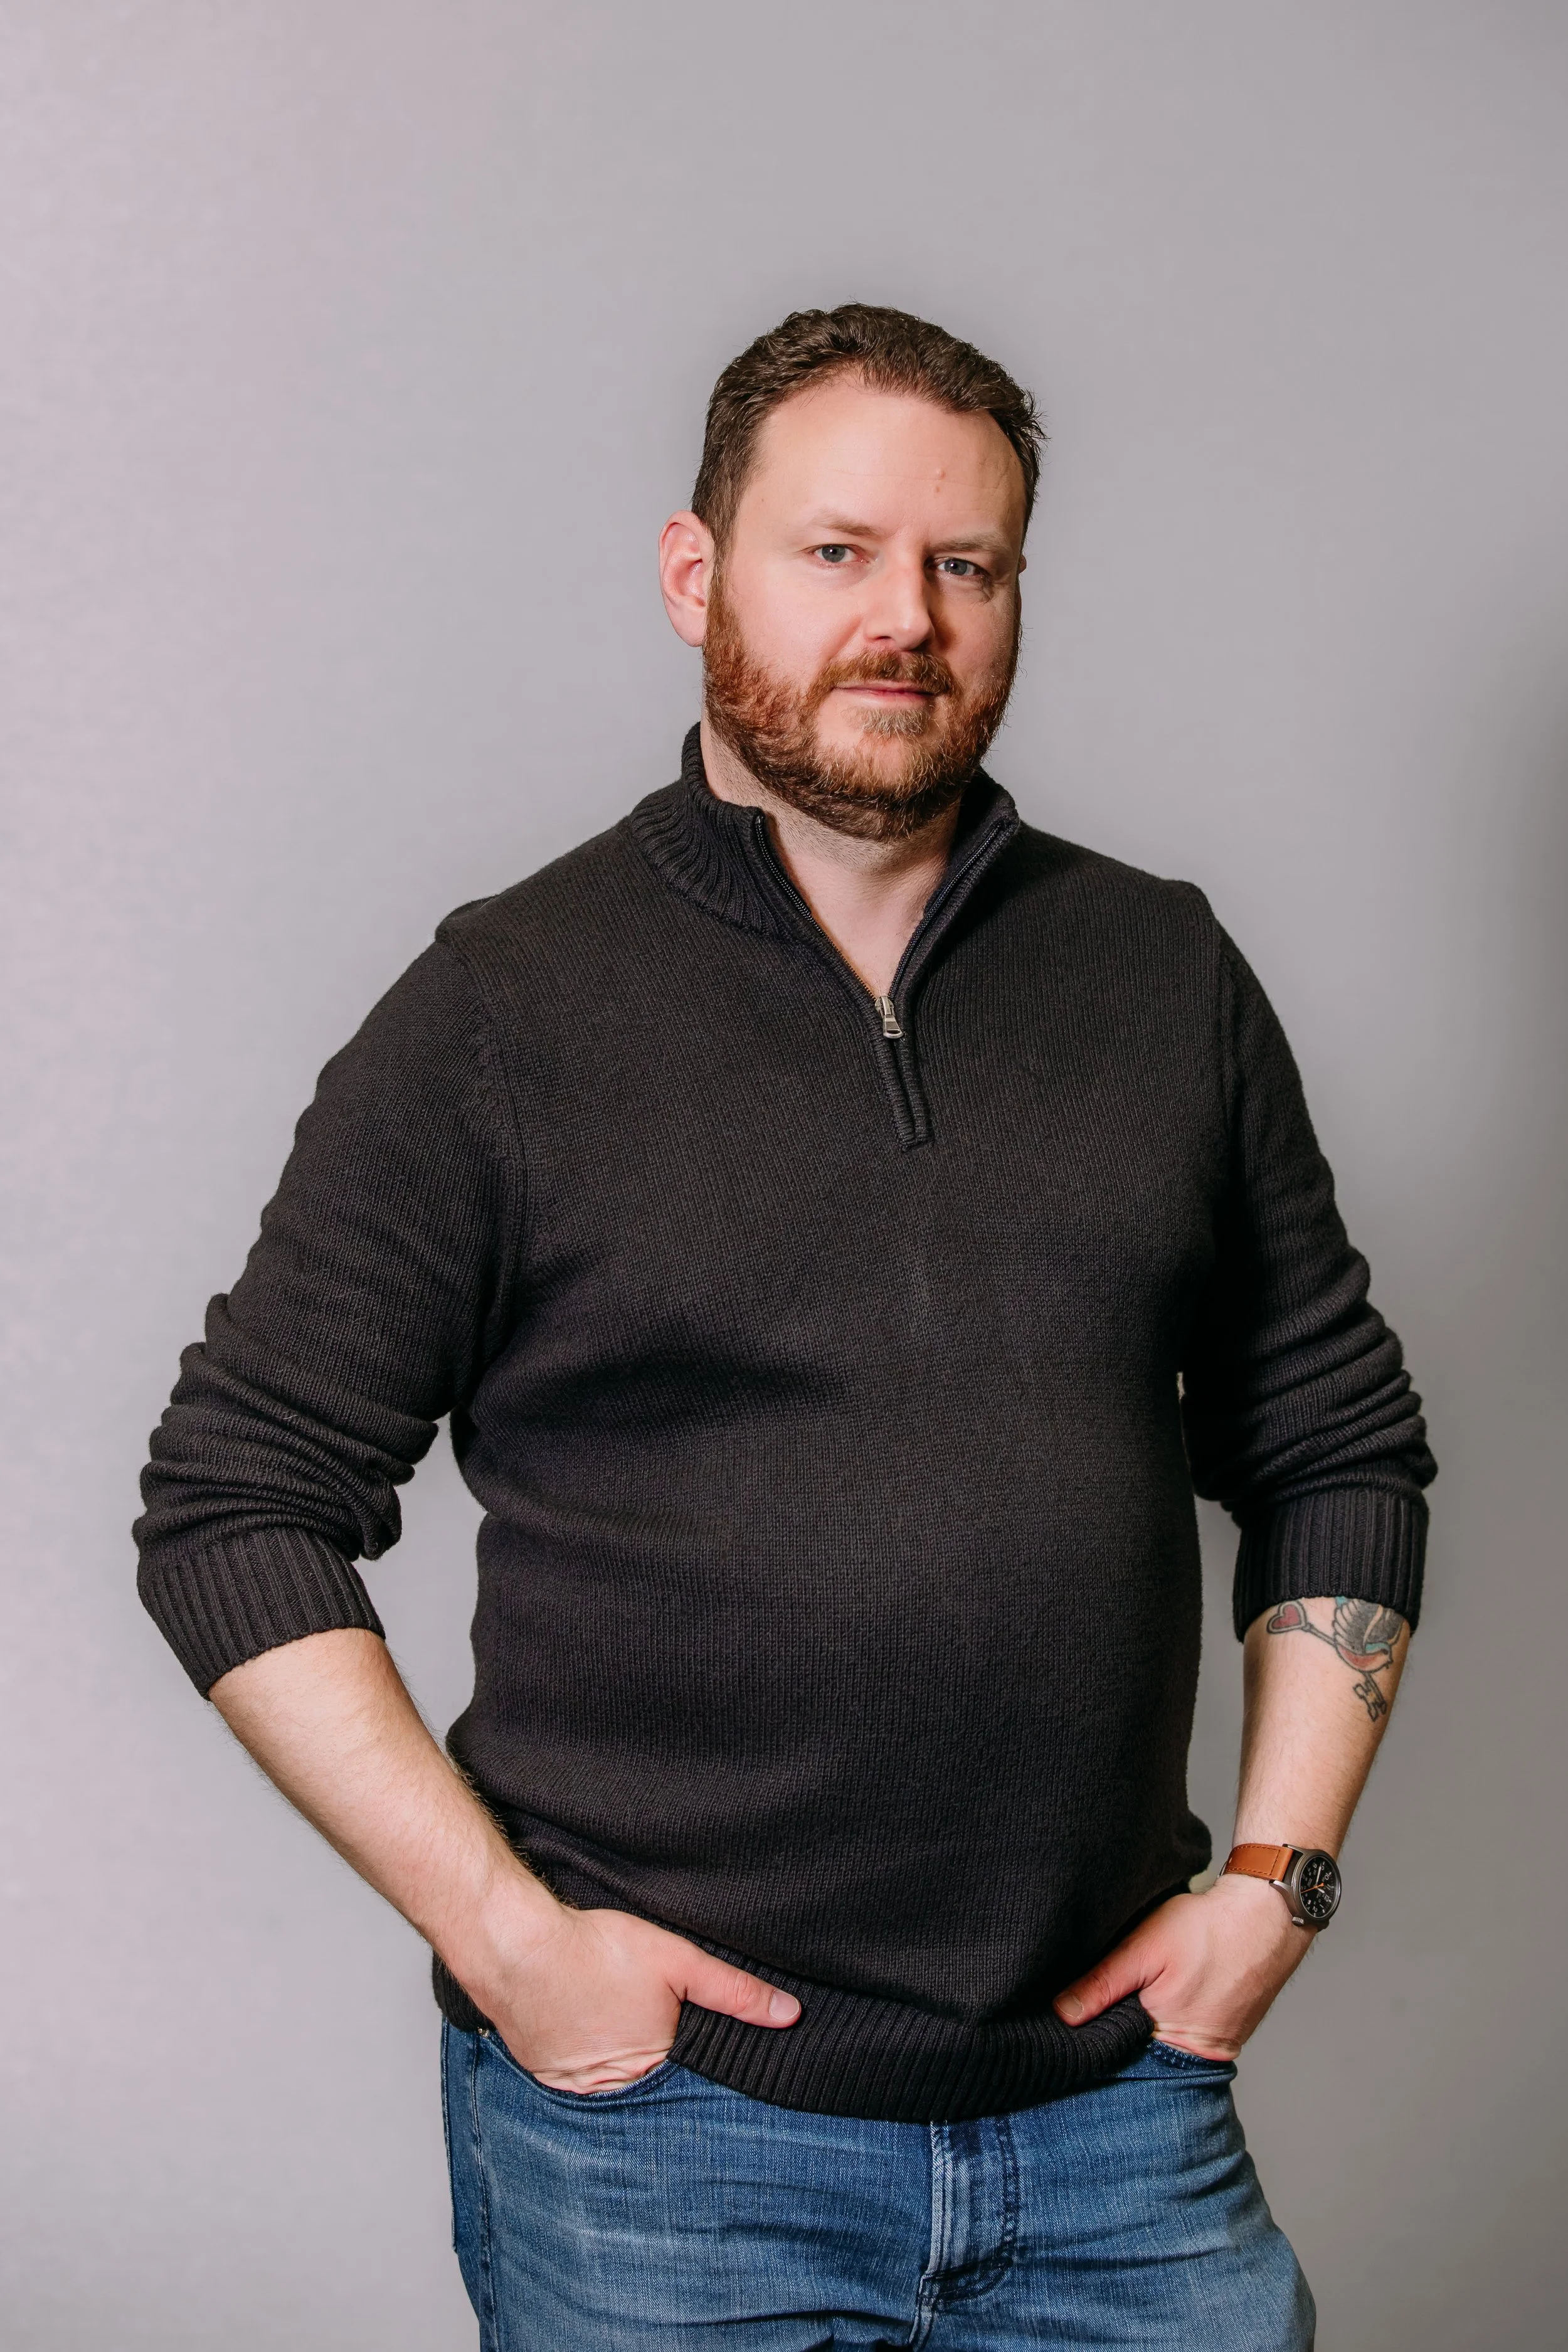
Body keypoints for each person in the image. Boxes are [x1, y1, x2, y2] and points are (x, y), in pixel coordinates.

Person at [136, 304, 1434, 2349]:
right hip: (667, 2139)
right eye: (833, 550)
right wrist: (503, 1934)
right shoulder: (508, 1006)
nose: (901, 618)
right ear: (695, 576)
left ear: (1014, 596)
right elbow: (234, 1500)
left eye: (964, 565)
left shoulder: (1155, 968)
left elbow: (1334, 1448)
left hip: (1118, 2122)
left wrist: (1277, 1881)